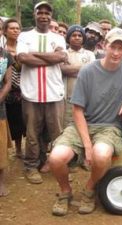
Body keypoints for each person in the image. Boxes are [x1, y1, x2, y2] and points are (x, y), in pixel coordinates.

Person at [49, 28, 122, 216]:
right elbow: (77, 109)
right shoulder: (88, 71)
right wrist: (87, 144)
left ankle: (89, 189)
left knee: (101, 155)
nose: (115, 52)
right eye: (112, 46)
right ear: (104, 45)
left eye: (120, 48)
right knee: (56, 158)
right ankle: (65, 192)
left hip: (110, 126)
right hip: (82, 124)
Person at [16, 1, 67, 184]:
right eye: (40, 12)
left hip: (54, 93)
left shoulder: (59, 38)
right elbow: (22, 58)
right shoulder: (24, 36)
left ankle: (52, 162)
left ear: (51, 16)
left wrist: (35, 54)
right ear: (35, 15)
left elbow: (62, 57)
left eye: (47, 13)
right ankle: (31, 166)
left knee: (55, 133)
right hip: (31, 93)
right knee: (32, 133)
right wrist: (50, 57)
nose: (44, 16)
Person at [60, 25, 95, 128]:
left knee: (84, 125)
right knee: (67, 127)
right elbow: (62, 70)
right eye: (73, 35)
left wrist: (70, 69)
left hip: (85, 98)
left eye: (80, 35)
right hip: (67, 99)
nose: (77, 37)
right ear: (68, 38)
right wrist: (84, 68)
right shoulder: (63, 54)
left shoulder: (90, 54)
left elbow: (91, 73)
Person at [3, 18, 25, 159]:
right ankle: (4, 151)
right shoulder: (1, 49)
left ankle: (18, 149)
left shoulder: (23, 47)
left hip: (20, 89)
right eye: (12, 28)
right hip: (4, 89)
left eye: (17, 28)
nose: (15, 31)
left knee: (18, 119)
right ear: (5, 31)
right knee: (5, 121)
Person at [0, 46, 13, 197]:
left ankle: (1, 181)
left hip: (0, 107)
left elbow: (8, 82)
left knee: (1, 144)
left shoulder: (6, 55)